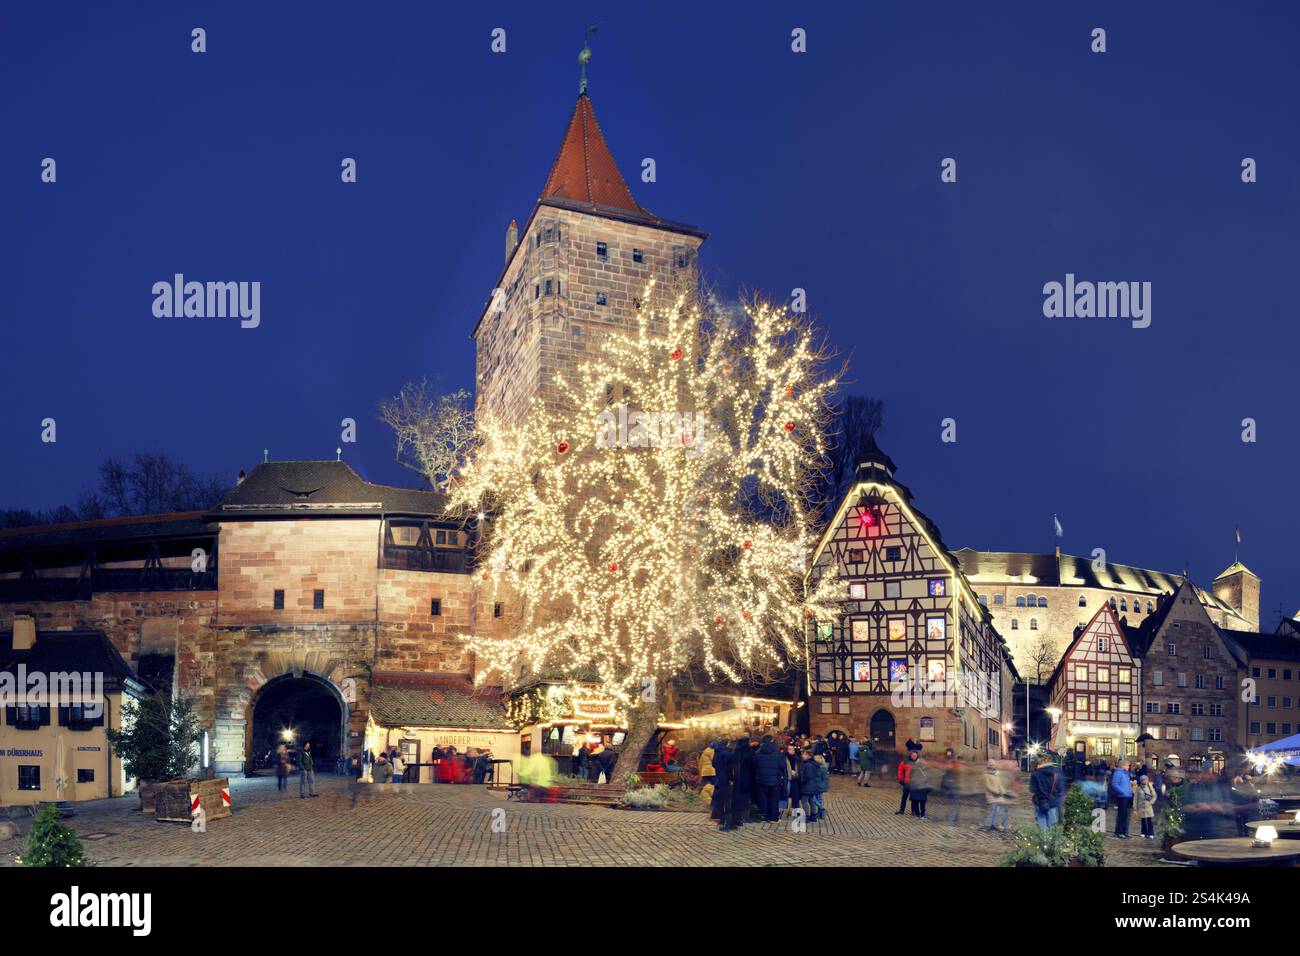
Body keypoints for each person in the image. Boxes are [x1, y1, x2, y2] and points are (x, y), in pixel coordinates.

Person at [752, 735, 785, 822]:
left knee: (763, 798)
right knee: (774, 799)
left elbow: (753, 766)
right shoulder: (778, 753)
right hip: (775, 780)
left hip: (761, 779)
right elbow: (782, 766)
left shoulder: (757, 753)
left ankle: (764, 815)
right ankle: (773, 818)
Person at [725, 737, 755, 831]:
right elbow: (752, 766)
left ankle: (736, 818)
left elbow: (729, 766)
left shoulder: (734, 753)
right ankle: (743, 817)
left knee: (736, 799)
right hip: (746, 779)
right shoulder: (749, 753)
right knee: (745, 798)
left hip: (736, 780)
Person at [1030, 754, 1062, 831]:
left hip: (1040, 802)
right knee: (1053, 827)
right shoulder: (1057, 773)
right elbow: (1059, 789)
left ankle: (1044, 842)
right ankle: (1054, 842)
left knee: (1042, 827)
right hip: (1052, 803)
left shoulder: (1036, 774)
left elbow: (1032, 789)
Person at [984, 759, 1015, 831]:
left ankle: (993, 824)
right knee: (992, 810)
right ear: (988, 766)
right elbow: (988, 786)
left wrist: (1004, 792)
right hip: (992, 795)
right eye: (991, 765)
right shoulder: (986, 775)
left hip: (998, 796)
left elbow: (1000, 785)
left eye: (993, 765)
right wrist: (995, 792)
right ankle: (988, 825)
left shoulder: (996, 774)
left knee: (996, 810)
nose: (993, 766)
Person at [798, 750, 826, 822]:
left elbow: (806, 776)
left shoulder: (807, 765)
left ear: (808, 756)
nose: (802, 756)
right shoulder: (814, 764)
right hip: (814, 785)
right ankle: (813, 816)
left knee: (804, 801)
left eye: (804, 755)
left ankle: (806, 817)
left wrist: (801, 780)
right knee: (811, 801)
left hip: (807, 786)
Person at [711, 739, 733, 826]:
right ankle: (722, 817)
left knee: (718, 797)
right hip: (725, 778)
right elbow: (730, 767)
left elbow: (713, 764)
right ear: (727, 744)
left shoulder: (717, 752)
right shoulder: (727, 754)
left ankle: (716, 816)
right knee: (724, 798)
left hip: (718, 777)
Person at [1110, 758, 1134, 839]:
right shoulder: (1118, 773)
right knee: (1122, 815)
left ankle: (1125, 831)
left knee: (1127, 815)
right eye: (1128, 765)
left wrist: (1130, 791)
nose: (1128, 767)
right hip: (1122, 797)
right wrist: (1122, 792)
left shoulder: (1125, 773)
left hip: (1128, 796)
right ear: (1123, 765)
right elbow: (1114, 784)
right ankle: (1119, 832)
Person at [909, 752, 934, 819]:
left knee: (917, 800)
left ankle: (918, 813)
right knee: (921, 801)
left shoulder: (915, 765)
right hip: (920, 785)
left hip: (916, 785)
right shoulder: (921, 766)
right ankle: (922, 814)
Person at [1136, 773, 1157, 840]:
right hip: (1141, 806)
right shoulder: (1138, 788)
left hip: (1148, 807)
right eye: (1142, 780)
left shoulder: (1150, 787)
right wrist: (1135, 806)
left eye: (1145, 780)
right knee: (1143, 820)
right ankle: (1143, 832)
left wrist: (1151, 803)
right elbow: (1135, 797)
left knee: (1149, 821)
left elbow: (1154, 796)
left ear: (1147, 780)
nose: (1144, 781)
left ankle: (1151, 833)